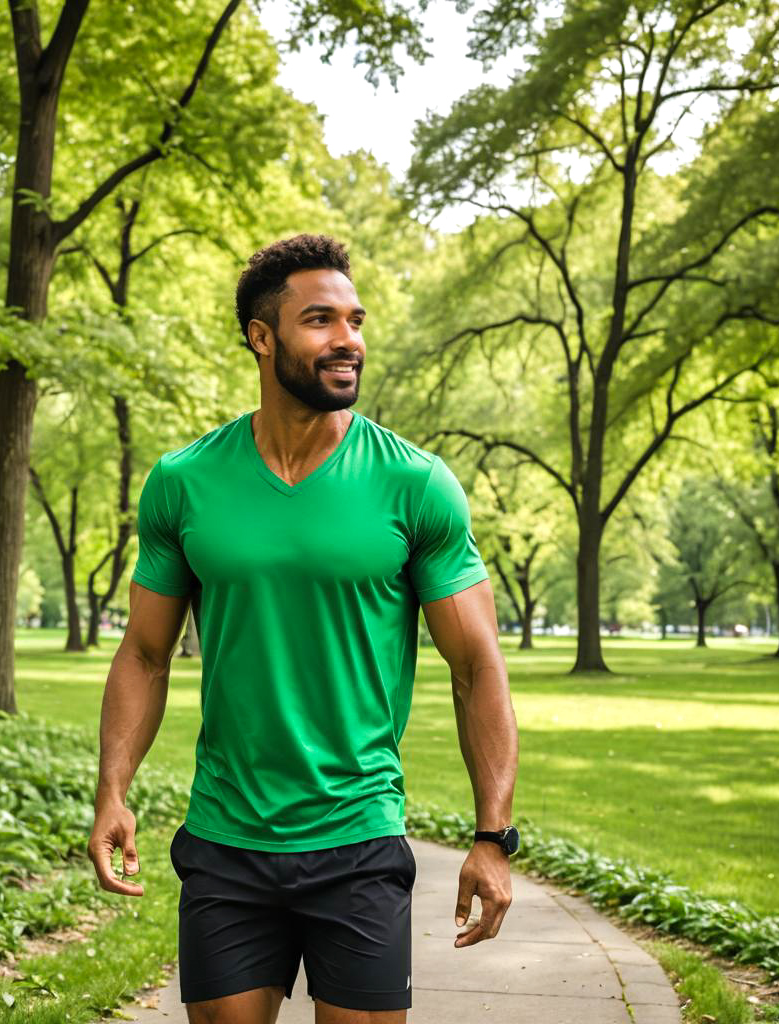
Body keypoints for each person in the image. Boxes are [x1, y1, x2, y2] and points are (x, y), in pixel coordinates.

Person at [88, 234, 519, 1023]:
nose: (347, 339)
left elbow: (477, 668)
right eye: (319, 320)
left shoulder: (414, 483)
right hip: (226, 841)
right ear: (262, 336)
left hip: (357, 838)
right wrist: (112, 789)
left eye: (355, 320)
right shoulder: (184, 482)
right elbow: (146, 655)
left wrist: (494, 835)